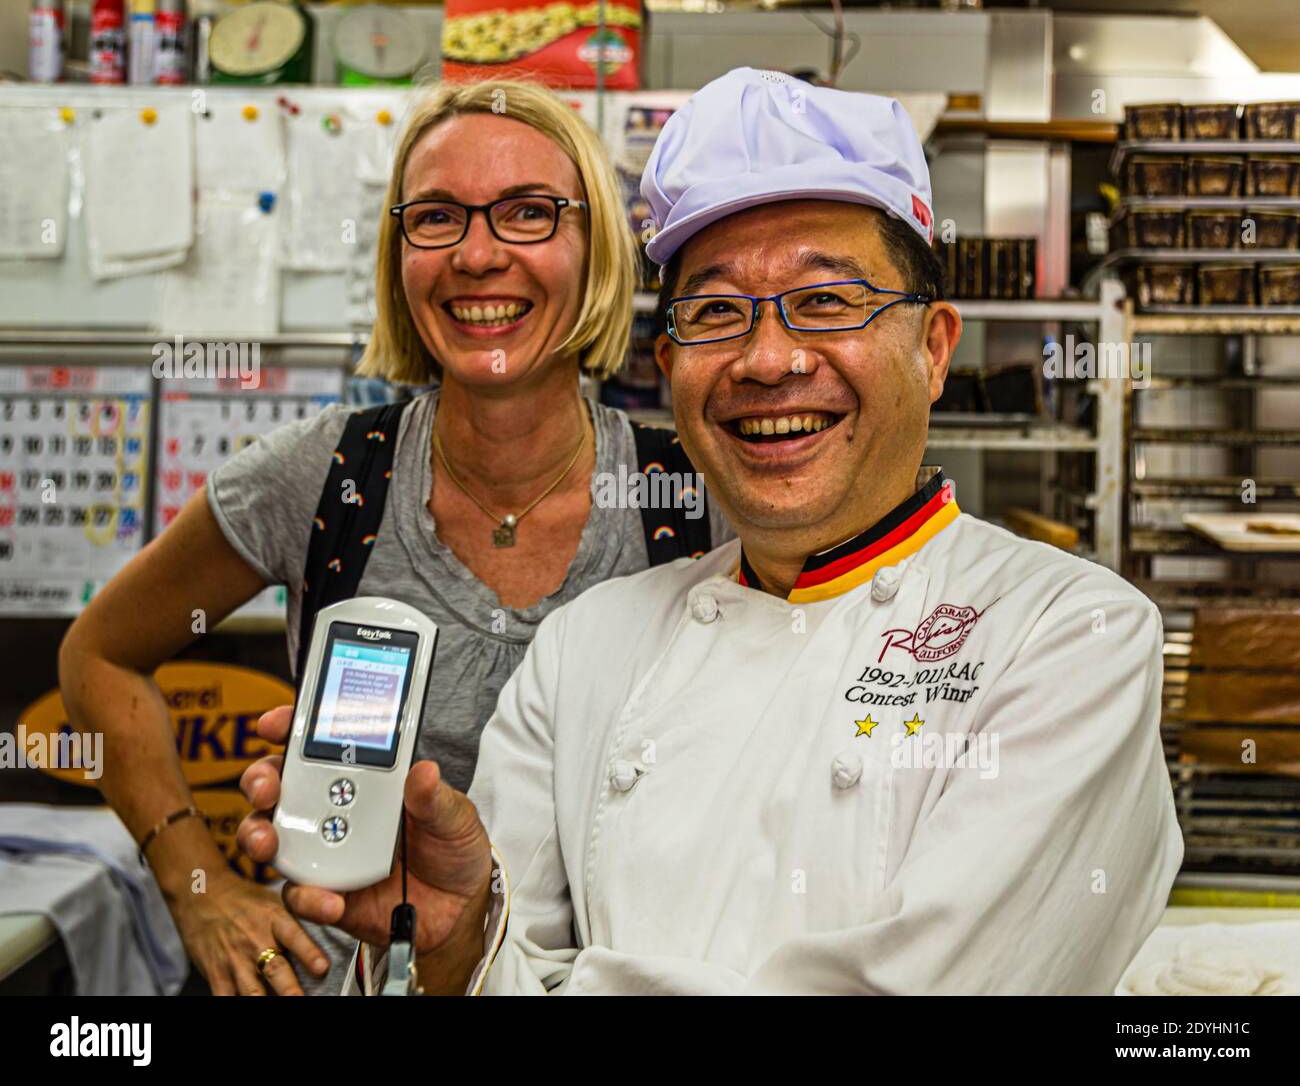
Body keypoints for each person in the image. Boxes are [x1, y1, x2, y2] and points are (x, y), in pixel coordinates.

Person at [238, 67, 1183, 995]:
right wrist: (455, 945)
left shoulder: (1068, 636)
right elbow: (494, 969)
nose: (767, 360)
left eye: (827, 301)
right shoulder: (585, 647)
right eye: (717, 313)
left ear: (935, 348)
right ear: (670, 363)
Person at [58, 78, 728, 996]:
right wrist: (194, 886)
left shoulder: (694, 496)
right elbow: (98, 656)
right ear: (398, 254)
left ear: (598, 249)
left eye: (529, 213)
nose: (478, 254)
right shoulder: (326, 480)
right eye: (438, 217)